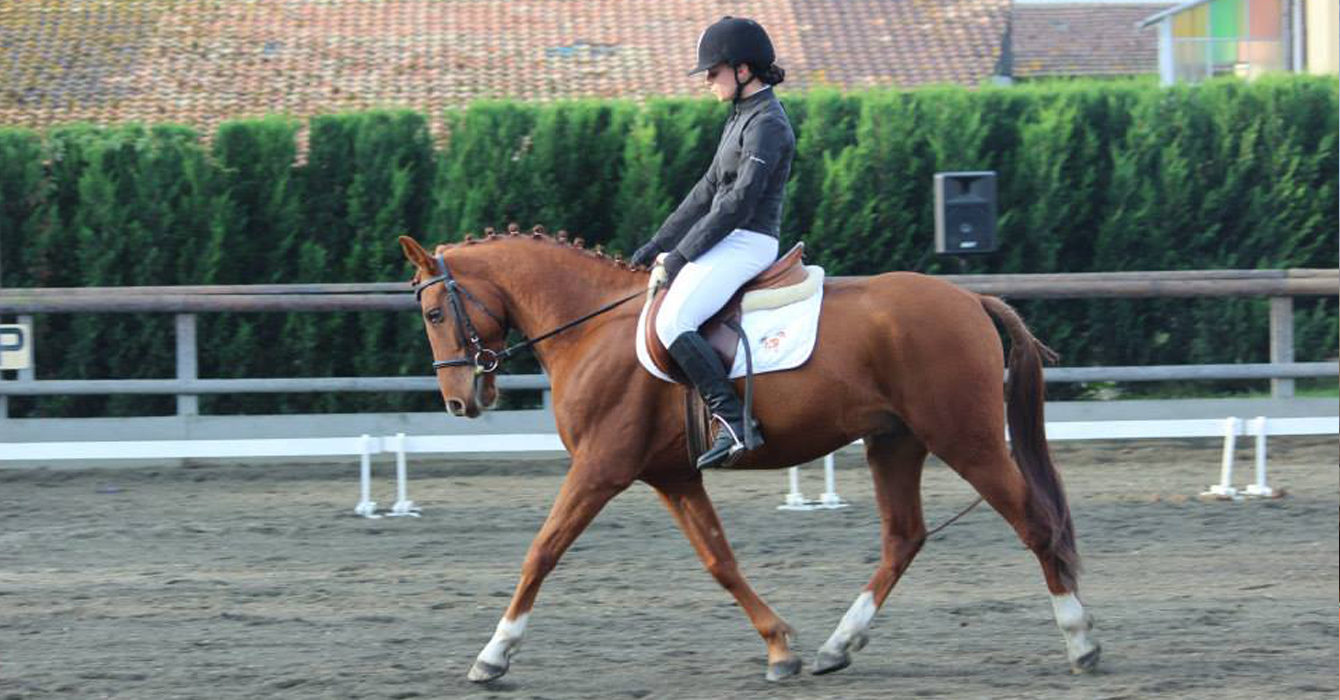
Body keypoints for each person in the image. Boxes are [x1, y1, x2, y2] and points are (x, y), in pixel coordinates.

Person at [630, 16, 796, 470]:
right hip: (731, 236)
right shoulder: (740, 117)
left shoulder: (769, 124)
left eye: (713, 70)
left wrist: (681, 256)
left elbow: (738, 203)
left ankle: (735, 423)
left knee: (673, 319)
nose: (706, 79)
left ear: (744, 70)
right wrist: (656, 245)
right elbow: (705, 192)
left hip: (749, 240)